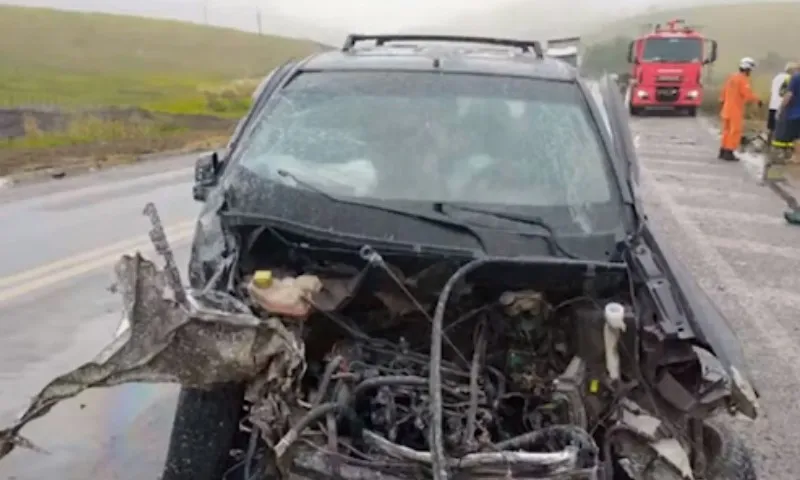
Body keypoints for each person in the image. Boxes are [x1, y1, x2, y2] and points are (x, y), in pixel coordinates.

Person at [718, 57, 763, 161]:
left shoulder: (731, 77)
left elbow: (723, 93)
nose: (750, 72)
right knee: (735, 131)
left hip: (726, 109)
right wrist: (758, 100)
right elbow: (747, 94)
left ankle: (723, 150)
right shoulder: (743, 79)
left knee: (726, 131)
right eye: (750, 70)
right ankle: (729, 152)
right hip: (735, 110)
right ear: (747, 69)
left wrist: (722, 102)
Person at [767, 63, 795, 146]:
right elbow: (788, 93)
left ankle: (769, 144)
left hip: (772, 104)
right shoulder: (790, 78)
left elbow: (772, 90)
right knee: (781, 127)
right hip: (782, 106)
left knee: (771, 127)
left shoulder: (776, 77)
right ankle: (780, 145)